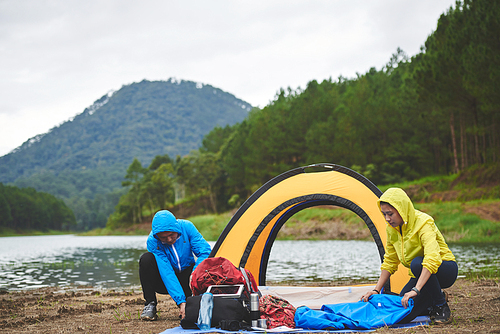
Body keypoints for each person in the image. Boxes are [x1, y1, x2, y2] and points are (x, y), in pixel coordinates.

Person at [360, 188, 458, 324]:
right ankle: (432, 300)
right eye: (384, 214)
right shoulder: (392, 229)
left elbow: (432, 258)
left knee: (417, 263)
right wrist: (376, 290)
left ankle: (441, 306)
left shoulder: (424, 222)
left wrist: (416, 289)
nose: (387, 219)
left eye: (390, 214)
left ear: (401, 209)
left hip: (444, 269)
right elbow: (390, 261)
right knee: (402, 309)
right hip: (420, 273)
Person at [139, 210, 211, 321]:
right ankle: (150, 304)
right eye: (163, 237)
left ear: (176, 229)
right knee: (146, 259)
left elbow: (205, 252)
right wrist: (181, 302)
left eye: (171, 235)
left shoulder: (187, 227)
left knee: (206, 265)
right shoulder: (153, 241)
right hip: (164, 280)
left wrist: (194, 277)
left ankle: (195, 298)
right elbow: (166, 271)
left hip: (188, 279)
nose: (169, 239)